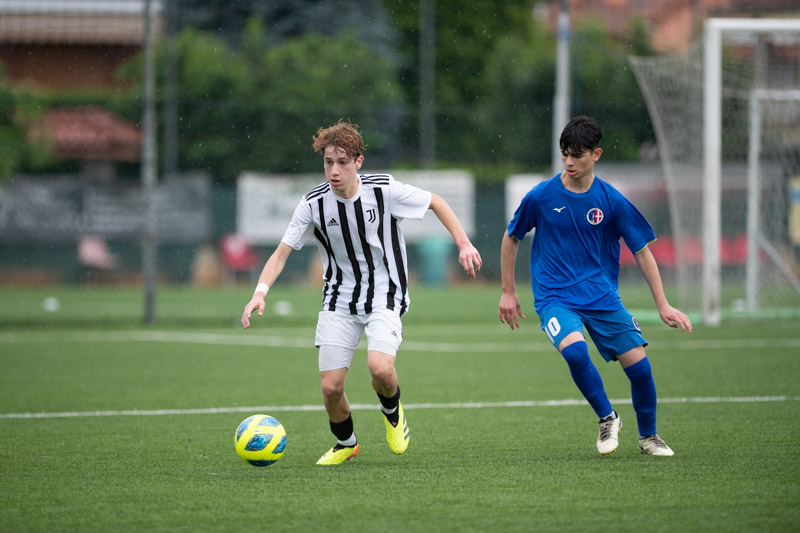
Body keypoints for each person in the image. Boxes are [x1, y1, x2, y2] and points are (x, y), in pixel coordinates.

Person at [242, 120, 482, 465]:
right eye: (328, 162)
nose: (334, 170)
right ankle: (346, 443)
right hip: (339, 299)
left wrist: (463, 244)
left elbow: (436, 202)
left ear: (358, 162)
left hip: (386, 293)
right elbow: (281, 254)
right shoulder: (313, 204)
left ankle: (393, 413)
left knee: (380, 369)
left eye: (342, 162)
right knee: (331, 388)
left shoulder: (384, 190)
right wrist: (260, 292)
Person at [498, 115, 692, 456]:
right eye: (564, 154)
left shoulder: (612, 201)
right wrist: (508, 291)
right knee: (575, 351)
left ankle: (648, 437)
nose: (569, 162)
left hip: (601, 297)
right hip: (555, 297)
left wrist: (663, 304)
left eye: (577, 155)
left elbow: (642, 252)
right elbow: (511, 237)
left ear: (596, 154)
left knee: (641, 369)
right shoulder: (541, 196)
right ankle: (607, 417)